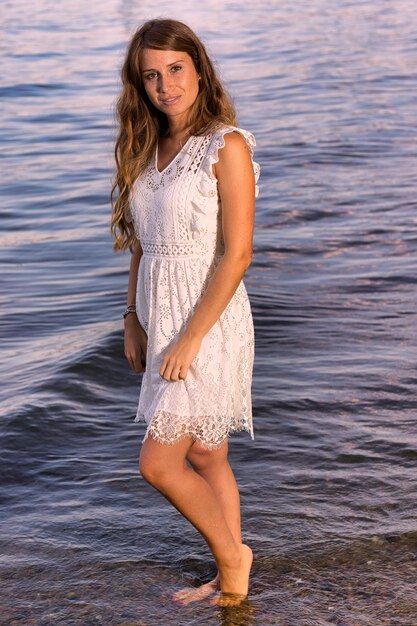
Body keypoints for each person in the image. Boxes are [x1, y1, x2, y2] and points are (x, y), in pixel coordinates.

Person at [110, 17, 260, 607]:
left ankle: (233, 559)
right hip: (160, 313)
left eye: (175, 69)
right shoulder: (146, 148)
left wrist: (191, 338)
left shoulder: (227, 144)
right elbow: (143, 243)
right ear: (139, 85)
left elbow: (238, 251)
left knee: (159, 463)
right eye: (151, 76)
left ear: (198, 66)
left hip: (209, 317)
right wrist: (131, 317)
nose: (165, 85)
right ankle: (229, 577)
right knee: (205, 453)